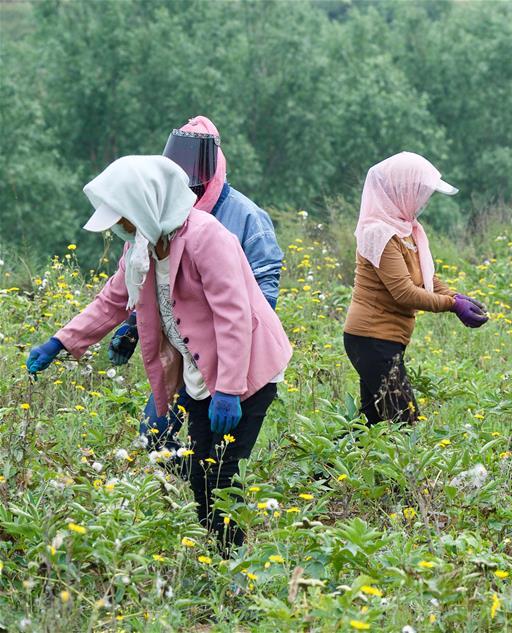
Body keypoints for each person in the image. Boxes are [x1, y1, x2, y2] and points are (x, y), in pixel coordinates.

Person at [26, 155, 292, 553]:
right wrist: (60, 342)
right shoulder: (142, 248)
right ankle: (220, 558)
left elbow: (234, 317)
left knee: (216, 473)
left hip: (247, 370)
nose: (120, 227)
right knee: (202, 468)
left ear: (145, 205)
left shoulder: (207, 237)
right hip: (201, 372)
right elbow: (110, 302)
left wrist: (229, 389)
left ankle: (233, 563)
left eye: (123, 218)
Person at [106, 116, 283, 456]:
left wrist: (230, 365)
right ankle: (189, 483)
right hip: (184, 351)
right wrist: (131, 327)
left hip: (225, 356)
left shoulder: (245, 216)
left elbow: (261, 291)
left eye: (195, 164)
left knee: (218, 459)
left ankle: (202, 488)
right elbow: (150, 282)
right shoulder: (159, 217)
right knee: (154, 436)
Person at [343, 152, 488, 425]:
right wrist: (452, 305)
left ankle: (323, 468)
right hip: (372, 338)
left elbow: (425, 278)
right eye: (420, 192)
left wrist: (454, 295)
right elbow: (405, 292)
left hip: (386, 340)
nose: (424, 200)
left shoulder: (407, 230)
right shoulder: (379, 233)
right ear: (403, 191)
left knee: (371, 424)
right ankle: (324, 468)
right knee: (405, 420)